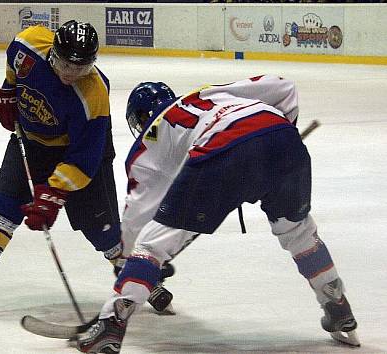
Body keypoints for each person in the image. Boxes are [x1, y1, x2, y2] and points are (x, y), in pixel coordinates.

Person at [76, 75, 359, 353]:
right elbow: (285, 87)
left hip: (220, 151)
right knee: (299, 233)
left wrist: (127, 260)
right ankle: (337, 306)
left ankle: (110, 323)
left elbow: (138, 213)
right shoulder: (207, 93)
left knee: (152, 245)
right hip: (282, 139)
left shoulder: (150, 137)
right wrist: (279, 136)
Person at [0, 20, 125, 315]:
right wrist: (9, 92)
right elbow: (13, 64)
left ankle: (137, 275)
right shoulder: (28, 43)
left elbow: (85, 158)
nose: (71, 74)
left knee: (99, 224)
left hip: (74, 151)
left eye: (81, 67)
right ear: (53, 53)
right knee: (4, 208)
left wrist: (53, 192)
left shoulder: (94, 95)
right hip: (30, 143)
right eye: (65, 64)